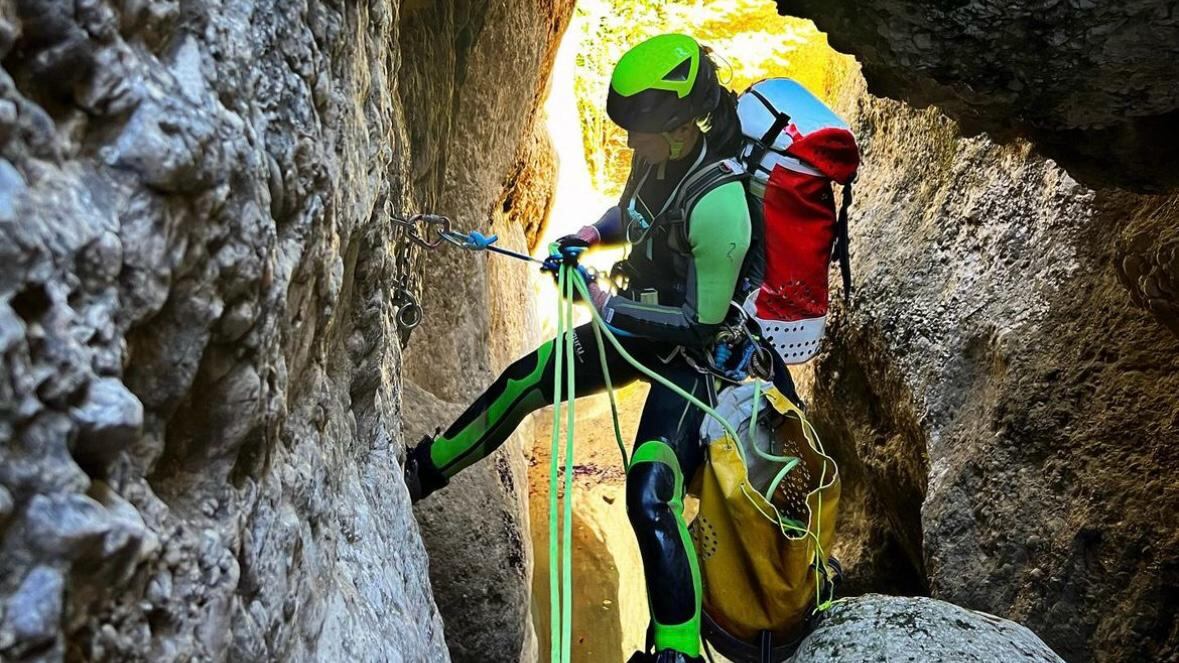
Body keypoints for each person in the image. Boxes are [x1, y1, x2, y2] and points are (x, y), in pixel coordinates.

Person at [404, 33, 755, 663]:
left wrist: (605, 301)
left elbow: (701, 325)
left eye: (637, 132)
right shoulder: (658, 159)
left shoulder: (722, 203)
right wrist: (588, 235)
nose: (627, 143)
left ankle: (676, 650)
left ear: (678, 128)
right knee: (524, 380)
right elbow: (637, 215)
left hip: (694, 361)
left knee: (651, 491)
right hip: (637, 326)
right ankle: (424, 470)